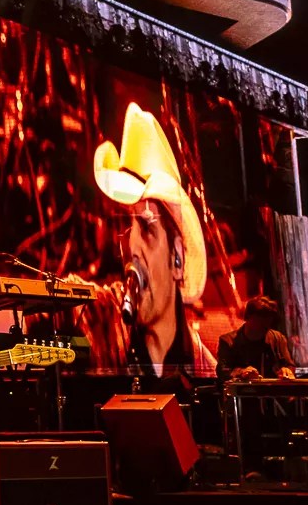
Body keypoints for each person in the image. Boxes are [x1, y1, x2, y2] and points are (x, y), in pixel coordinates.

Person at [91, 103, 216, 380]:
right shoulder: (105, 322)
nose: (131, 246)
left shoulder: (204, 369)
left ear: (178, 260)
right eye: (125, 227)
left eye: (146, 227)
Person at [217, 295, 295, 383]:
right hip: (244, 394)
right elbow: (222, 371)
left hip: (273, 394)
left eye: (268, 320)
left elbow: (290, 365)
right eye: (260, 320)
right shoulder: (227, 341)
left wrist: (287, 371)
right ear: (247, 317)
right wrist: (241, 372)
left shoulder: (278, 339)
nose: (266, 325)